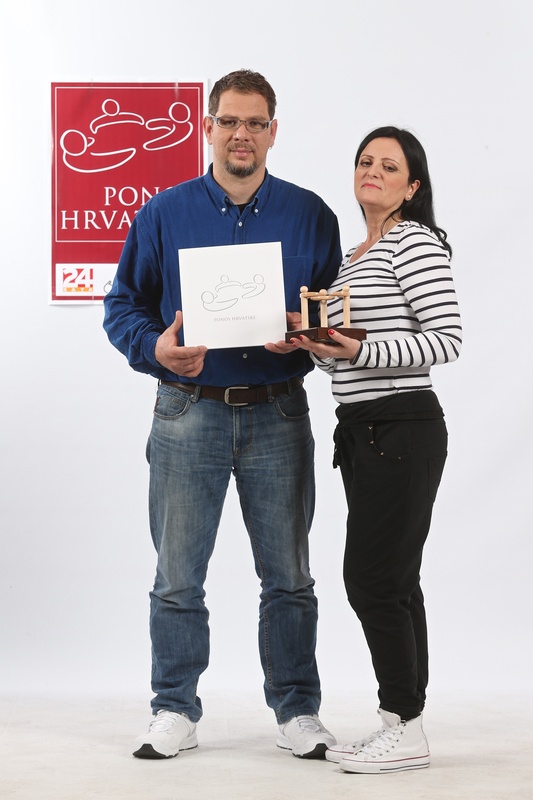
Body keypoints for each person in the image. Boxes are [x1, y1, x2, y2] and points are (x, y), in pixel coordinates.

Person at [103, 69, 341, 760]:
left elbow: (331, 310)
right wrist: (154, 347)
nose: (242, 134)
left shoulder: (310, 215)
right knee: (178, 576)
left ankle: (297, 710)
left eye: (255, 123)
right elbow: (122, 305)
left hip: (278, 414)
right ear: (207, 127)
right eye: (229, 121)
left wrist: (307, 335)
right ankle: (173, 707)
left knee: (289, 577)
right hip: (188, 413)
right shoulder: (162, 213)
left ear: (273, 131)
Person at [285, 126, 462, 774]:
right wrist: (316, 346)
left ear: (411, 186)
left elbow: (445, 340)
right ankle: (401, 722)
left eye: (389, 166)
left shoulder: (413, 241)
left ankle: (405, 726)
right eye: (365, 161)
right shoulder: (352, 258)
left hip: (402, 427)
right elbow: (346, 361)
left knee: (371, 579)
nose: (373, 172)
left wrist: (357, 348)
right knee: (395, 580)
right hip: (361, 430)